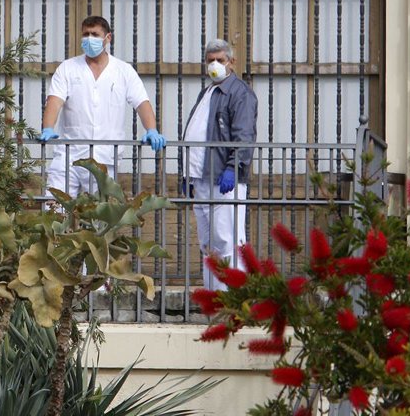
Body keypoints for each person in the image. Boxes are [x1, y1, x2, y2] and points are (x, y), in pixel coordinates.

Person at [39, 15, 166, 197]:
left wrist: (151, 129)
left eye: (95, 34)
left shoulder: (123, 71)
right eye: (85, 34)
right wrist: (48, 127)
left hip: (105, 157)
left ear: (108, 38)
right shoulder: (67, 68)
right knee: (55, 205)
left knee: (100, 211)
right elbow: (54, 100)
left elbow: (141, 102)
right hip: (69, 155)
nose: (89, 38)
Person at [183, 38, 258, 291]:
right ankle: (214, 298)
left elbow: (244, 135)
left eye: (220, 60)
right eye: (210, 60)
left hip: (224, 180)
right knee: (208, 243)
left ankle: (233, 299)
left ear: (231, 62)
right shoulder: (208, 92)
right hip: (202, 178)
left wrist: (233, 168)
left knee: (228, 241)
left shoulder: (239, 93)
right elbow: (197, 131)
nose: (214, 65)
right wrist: (187, 174)